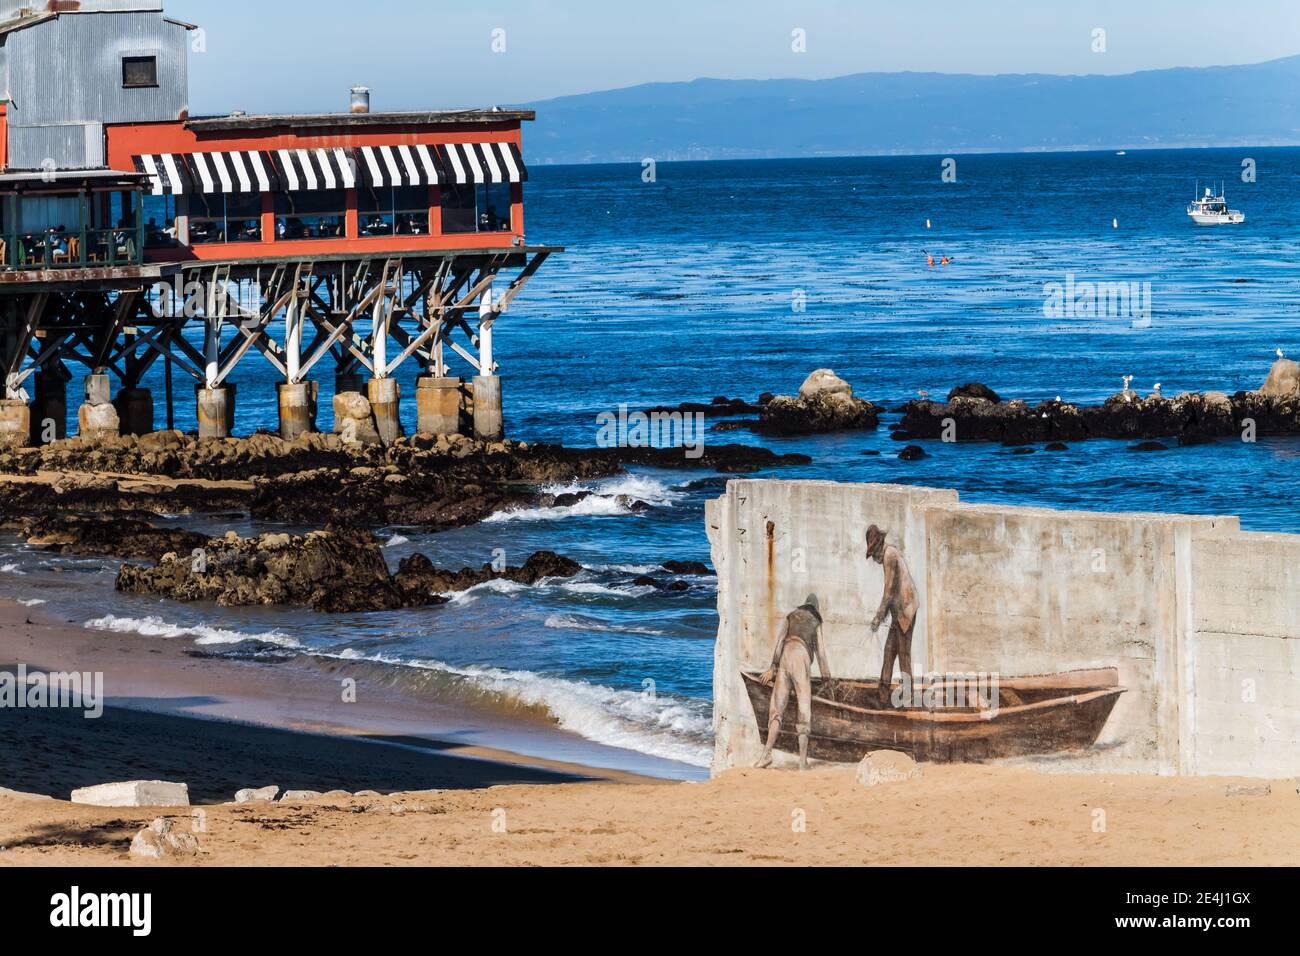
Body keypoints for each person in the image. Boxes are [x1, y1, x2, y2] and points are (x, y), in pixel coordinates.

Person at [756, 594, 831, 771]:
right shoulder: (816, 621)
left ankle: (766, 755)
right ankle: (802, 762)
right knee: (804, 710)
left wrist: (772, 668)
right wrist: (826, 677)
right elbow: (820, 653)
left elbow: (780, 642)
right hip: (800, 658)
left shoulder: (791, 616)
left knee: (776, 710)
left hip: (784, 657)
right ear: (815, 608)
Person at [866, 525, 919, 703]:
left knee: (903, 654)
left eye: (873, 553)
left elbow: (888, 592)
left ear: (879, 546)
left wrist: (878, 618)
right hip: (898, 612)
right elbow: (891, 592)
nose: (874, 558)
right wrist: (882, 617)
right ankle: (882, 697)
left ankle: (909, 698)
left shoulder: (889, 555)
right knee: (889, 651)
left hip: (906, 610)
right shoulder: (888, 555)